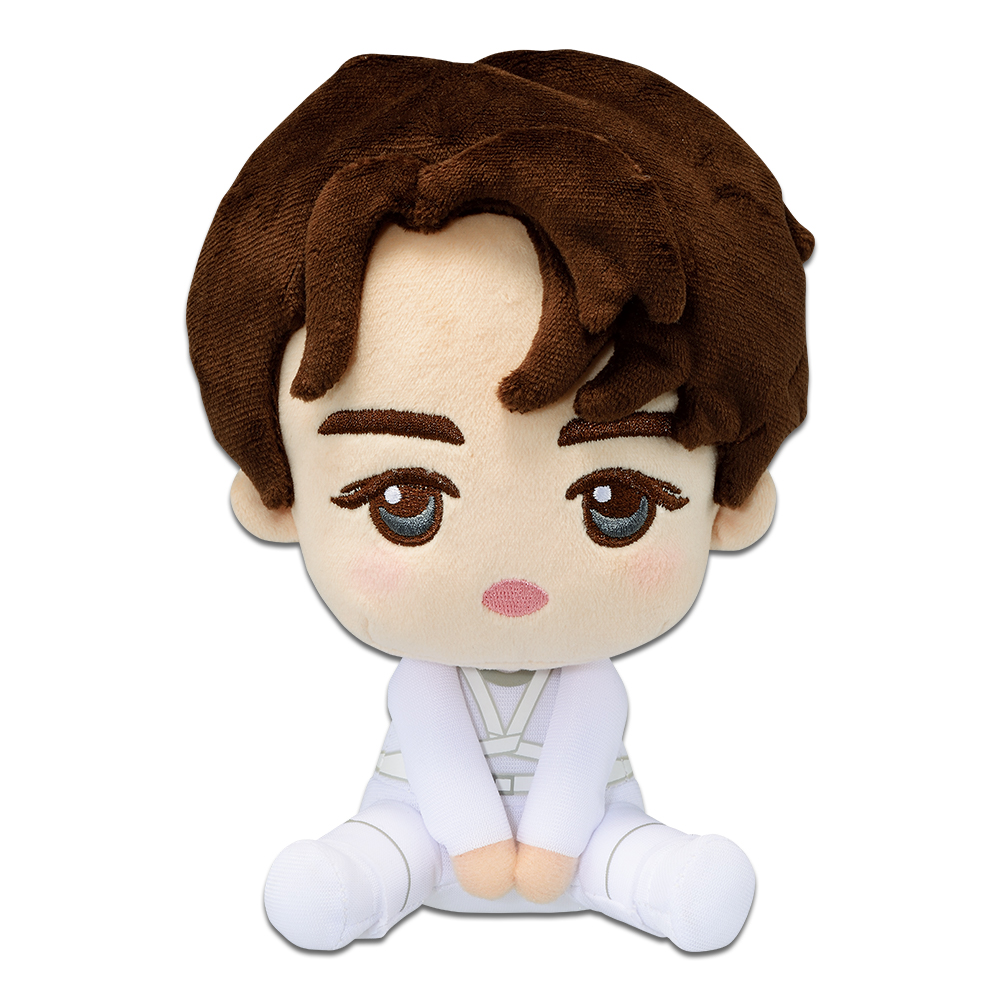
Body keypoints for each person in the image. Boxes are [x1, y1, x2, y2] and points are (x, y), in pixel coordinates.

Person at [187, 50, 813, 953]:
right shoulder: (424, 683)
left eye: (616, 501)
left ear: (729, 506)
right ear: (279, 499)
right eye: (402, 499)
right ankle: (360, 880)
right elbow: (437, 759)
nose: (509, 569)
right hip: (425, 827)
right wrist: (480, 849)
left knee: (623, 847)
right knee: (384, 845)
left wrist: (550, 853)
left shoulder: (591, 686)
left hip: (583, 837)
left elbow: (581, 762)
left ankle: (660, 883)